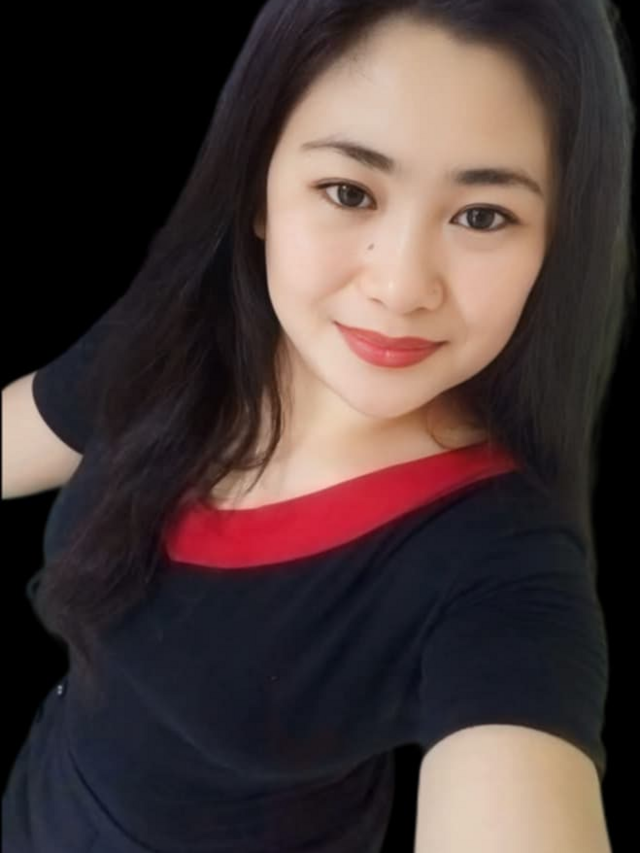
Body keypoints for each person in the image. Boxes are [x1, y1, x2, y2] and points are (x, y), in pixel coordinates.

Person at [3, 1, 633, 850]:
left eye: (483, 215)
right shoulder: (174, 341)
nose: (401, 286)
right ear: (258, 187)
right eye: (349, 192)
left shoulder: (505, 566)